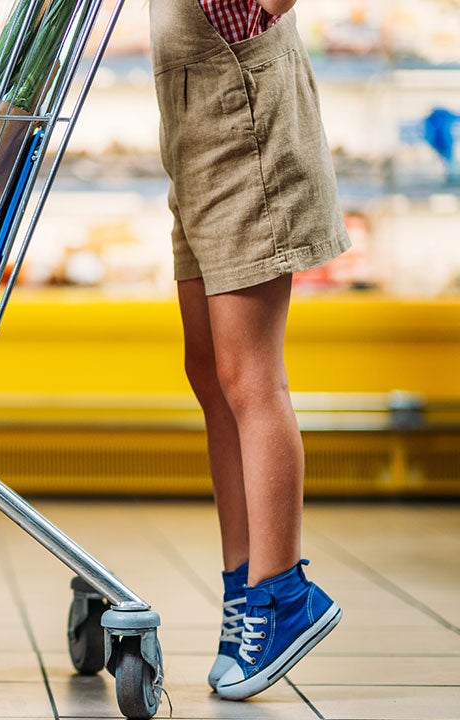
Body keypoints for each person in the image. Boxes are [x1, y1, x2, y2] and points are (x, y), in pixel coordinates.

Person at [149, 0, 347, 701]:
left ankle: (283, 593)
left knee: (251, 381)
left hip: (249, 146)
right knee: (209, 375)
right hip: (201, 150)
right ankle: (246, 586)